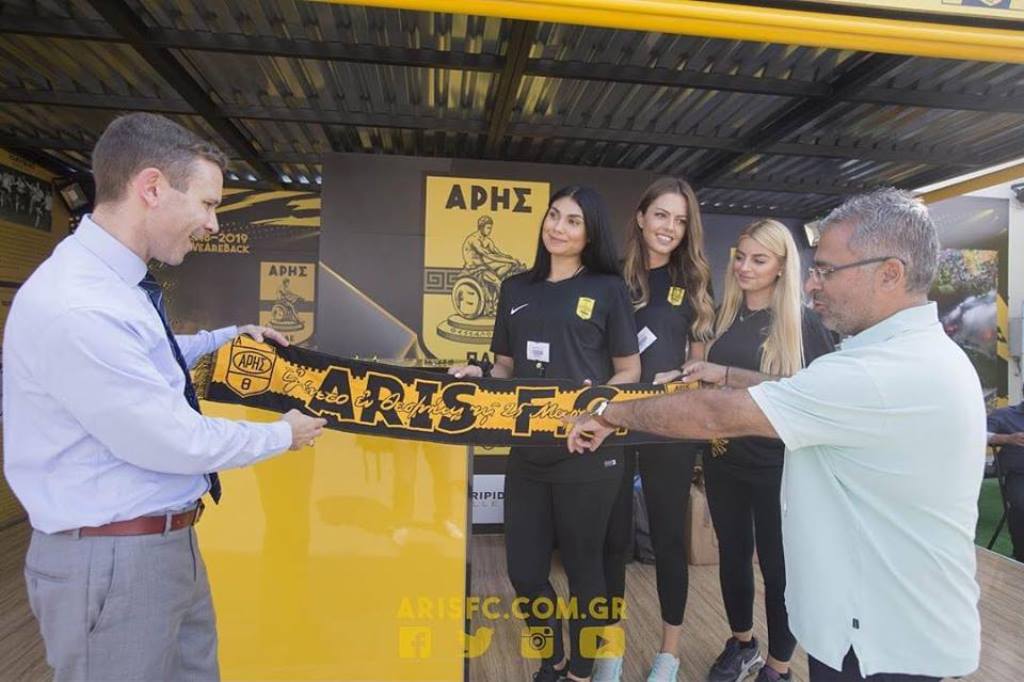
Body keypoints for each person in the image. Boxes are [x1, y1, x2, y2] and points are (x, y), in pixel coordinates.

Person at [567, 188, 984, 682]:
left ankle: (771, 663)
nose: (812, 284)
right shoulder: (898, 357)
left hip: (885, 648)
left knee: (768, 566)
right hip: (862, 628)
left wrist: (611, 413)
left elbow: (717, 414)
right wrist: (719, 374)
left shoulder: (876, 373)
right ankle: (747, 644)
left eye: (827, 270)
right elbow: (779, 390)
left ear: (890, 273)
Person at [1, 112, 327, 682]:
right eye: (207, 204)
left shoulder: (114, 289)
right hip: (113, 561)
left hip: (159, 548)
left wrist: (228, 337)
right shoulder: (81, 305)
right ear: (151, 188)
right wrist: (283, 434)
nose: (213, 224)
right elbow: (170, 440)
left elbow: (152, 356)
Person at [451, 186, 641, 682]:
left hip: (588, 452)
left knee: (584, 570)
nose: (558, 227)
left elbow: (629, 370)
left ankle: (579, 671)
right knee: (525, 572)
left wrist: (600, 413)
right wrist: (479, 375)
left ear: (590, 234)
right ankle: (552, 656)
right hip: (528, 452)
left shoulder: (608, 289)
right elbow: (505, 367)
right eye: (554, 215)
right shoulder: (515, 288)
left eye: (573, 221)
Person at [674, 219, 833, 682]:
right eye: (740, 257)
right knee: (733, 556)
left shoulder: (803, 324)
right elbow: (705, 381)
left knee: (779, 569)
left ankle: (779, 666)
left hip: (779, 466)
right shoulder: (724, 316)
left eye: (758, 259)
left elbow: (810, 393)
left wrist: (724, 375)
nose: (744, 267)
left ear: (782, 266)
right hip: (724, 459)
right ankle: (743, 643)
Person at [591, 177, 716, 682]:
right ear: (641, 217)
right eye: (661, 215)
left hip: (670, 427)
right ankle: (610, 647)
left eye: (680, 220)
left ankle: (669, 653)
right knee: (611, 540)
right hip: (614, 424)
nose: (669, 227)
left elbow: (699, 366)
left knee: (668, 539)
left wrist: (682, 378)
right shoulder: (607, 277)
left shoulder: (696, 283)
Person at [987, 400, 1024, 561]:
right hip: (1018, 474)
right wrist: (1008, 438)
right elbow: (978, 434)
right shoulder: (1004, 415)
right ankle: (1021, 555)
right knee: (1021, 504)